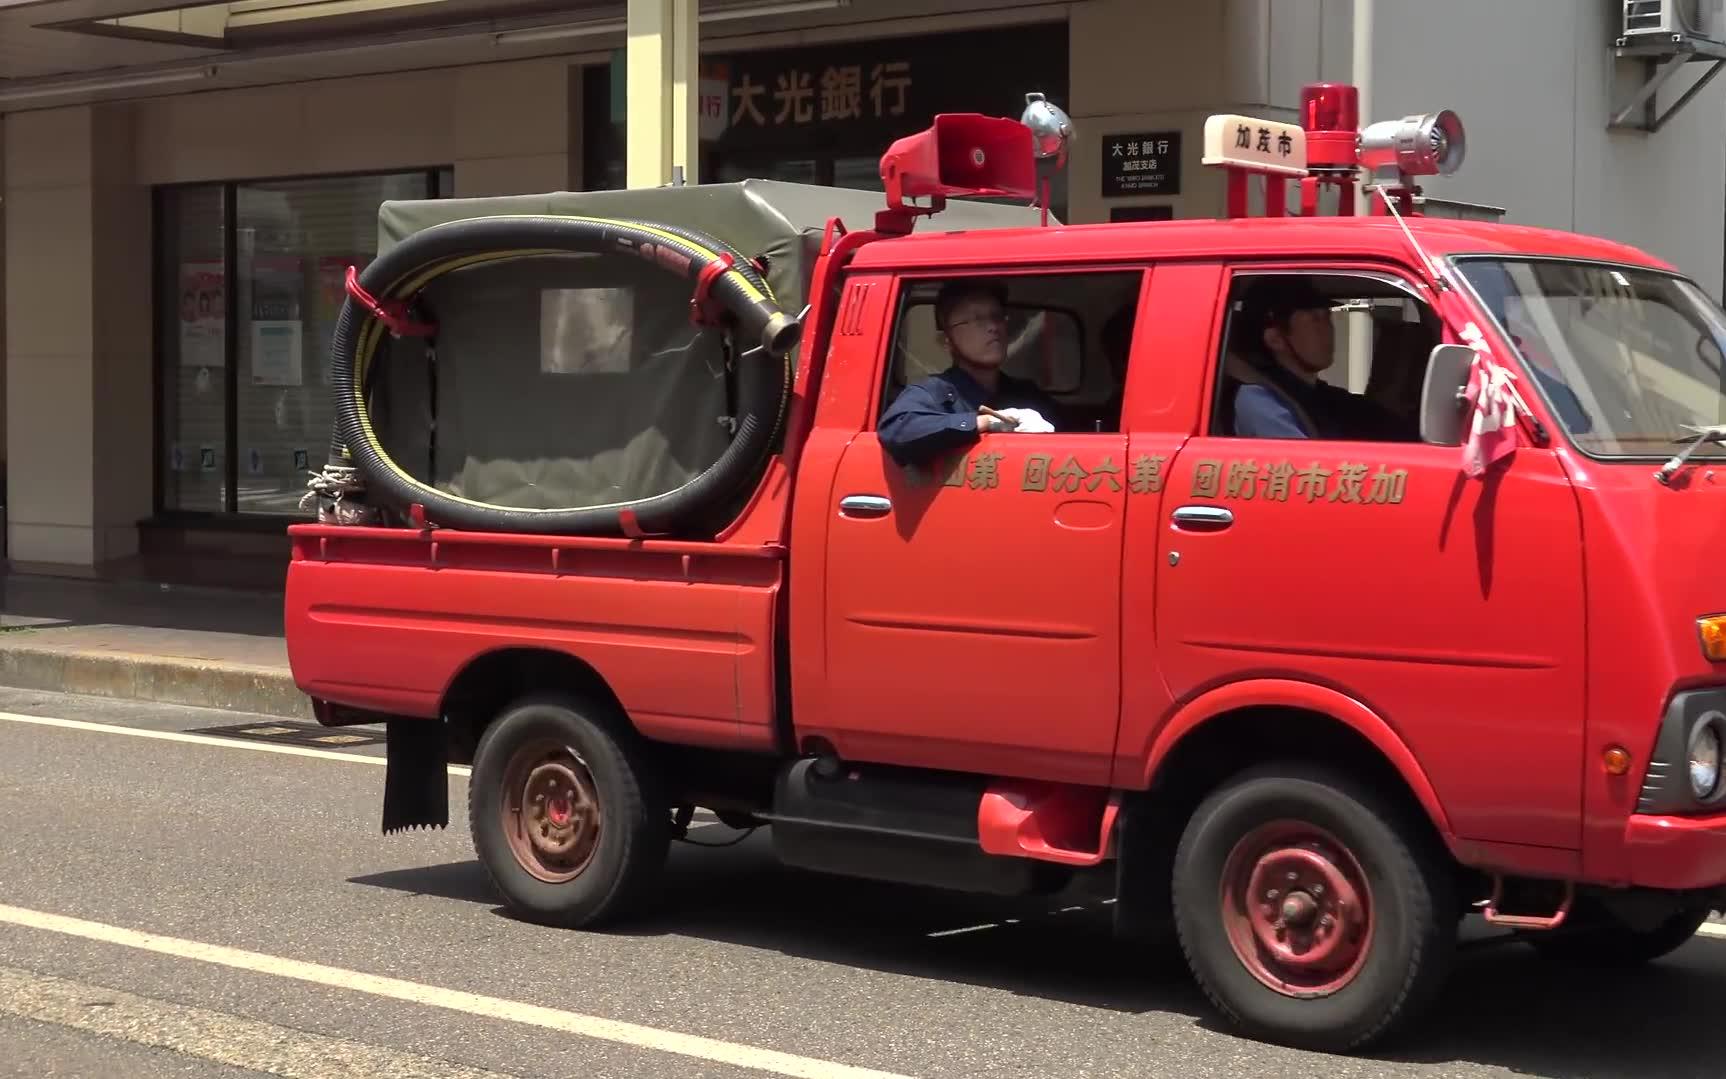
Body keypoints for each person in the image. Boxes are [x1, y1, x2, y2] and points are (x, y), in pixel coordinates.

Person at [878, 279, 1064, 467]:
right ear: (946, 340)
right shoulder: (933, 393)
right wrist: (987, 422)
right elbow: (896, 430)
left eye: (997, 316)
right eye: (977, 319)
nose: (993, 327)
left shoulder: (1027, 394)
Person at [1228, 277, 1400, 440]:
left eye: (1327, 318)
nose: (1328, 330)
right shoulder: (1259, 401)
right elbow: (1301, 460)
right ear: (1276, 339)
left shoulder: (1325, 397)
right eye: (1315, 320)